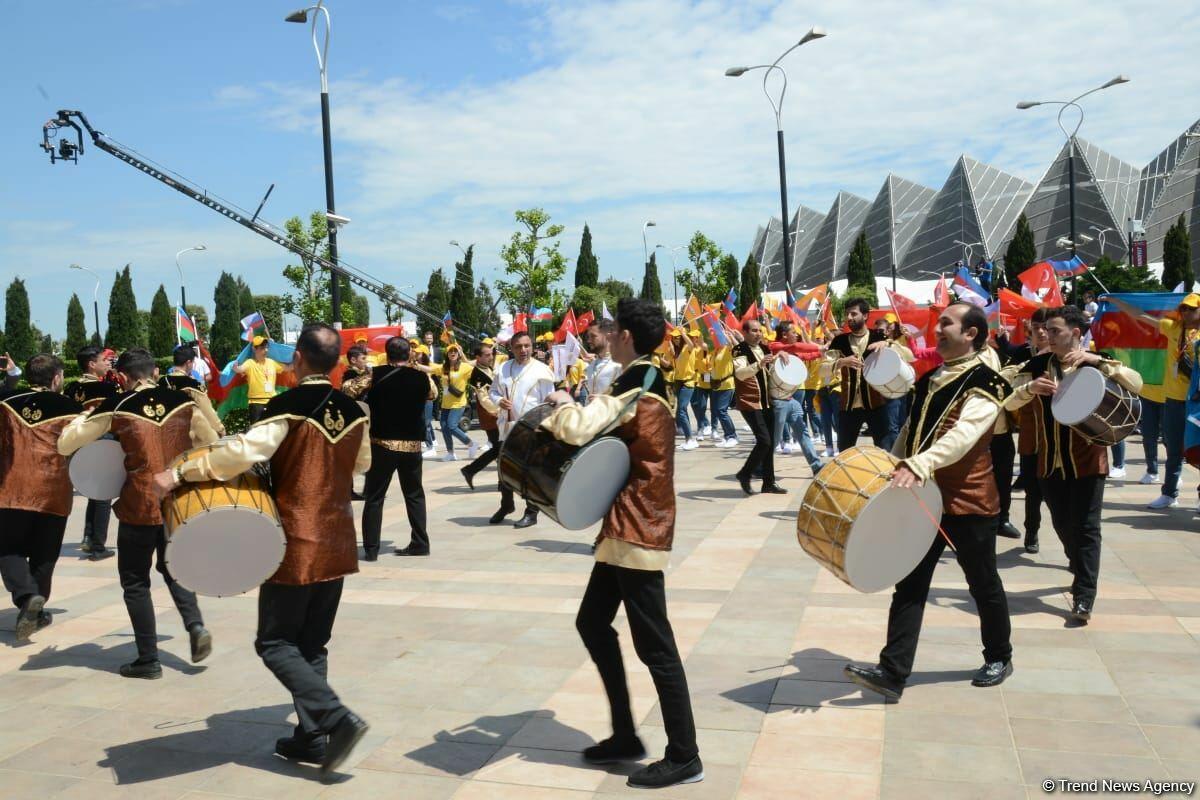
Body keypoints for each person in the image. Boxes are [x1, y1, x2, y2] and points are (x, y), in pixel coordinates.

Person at [152, 323, 371, 775]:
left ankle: (334, 719)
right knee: (312, 642)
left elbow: (244, 453)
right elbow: (363, 462)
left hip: (296, 538)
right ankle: (310, 738)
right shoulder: (355, 409)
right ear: (335, 363)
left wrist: (181, 474)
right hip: (338, 538)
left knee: (274, 642)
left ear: (300, 360)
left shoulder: (288, 404)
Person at [539, 298, 703, 789]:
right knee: (592, 621)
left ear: (627, 336)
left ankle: (684, 754)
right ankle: (627, 735)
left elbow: (581, 428)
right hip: (627, 524)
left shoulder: (639, 380)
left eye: (613, 330)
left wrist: (563, 406)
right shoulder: (647, 374)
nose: (606, 335)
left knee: (657, 646)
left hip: (638, 527)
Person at [845, 303, 1015, 701]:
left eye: (945, 323)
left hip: (967, 499)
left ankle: (1000, 655)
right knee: (910, 583)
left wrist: (919, 464)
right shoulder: (933, 377)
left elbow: (964, 436)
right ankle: (892, 671)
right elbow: (911, 428)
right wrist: (892, 464)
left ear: (971, 333)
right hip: (923, 498)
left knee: (983, 582)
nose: (936, 329)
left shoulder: (986, 383)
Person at [58, 348, 218, 678]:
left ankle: (148, 659)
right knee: (175, 567)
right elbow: (211, 440)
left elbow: (67, 443)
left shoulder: (117, 406)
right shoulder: (185, 403)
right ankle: (195, 624)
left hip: (139, 503)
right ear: (155, 373)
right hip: (177, 500)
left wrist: (82, 416)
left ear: (125, 378)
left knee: (135, 581)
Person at [1006, 306, 1142, 623]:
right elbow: (1008, 401)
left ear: (1076, 333)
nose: (1047, 335)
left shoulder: (1099, 361)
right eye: (1045, 330)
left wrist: (1099, 361)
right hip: (1050, 461)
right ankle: (1078, 562)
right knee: (1063, 524)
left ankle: (1083, 595)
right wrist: (1028, 389)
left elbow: (1137, 384)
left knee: (1087, 527)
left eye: (1055, 331)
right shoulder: (1037, 365)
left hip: (1089, 461)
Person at [0, 355, 82, 641]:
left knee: (8, 549)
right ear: (57, 377)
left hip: (12, 487)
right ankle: (35, 605)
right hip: (55, 491)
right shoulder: (72, 408)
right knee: (45, 553)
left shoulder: (6, 402)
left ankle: (27, 599)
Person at [1107, 293, 1200, 509]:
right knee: (1173, 449)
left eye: (1192, 309)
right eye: (1184, 308)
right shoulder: (1174, 328)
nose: (1186, 312)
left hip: (1196, 403)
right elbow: (1140, 315)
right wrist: (1115, 301)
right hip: (1174, 400)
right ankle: (1169, 494)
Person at [358, 337, 435, 558]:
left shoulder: (375, 374)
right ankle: (420, 543)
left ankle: (371, 549)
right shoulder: (421, 377)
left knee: (375, 497)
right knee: (414, 495)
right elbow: (433, 394)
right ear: (409, 353)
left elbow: (348, 389)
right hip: (412, 446)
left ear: (387, 352)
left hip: (382, 444)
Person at [479, 330, 556, 528]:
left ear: (532, 346)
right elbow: (494, 391)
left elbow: (550, 402)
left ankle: (532, 511)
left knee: (529, 471)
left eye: (527, 345)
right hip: (506, 425)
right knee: (504, 467)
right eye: (519, 346)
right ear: (511, 348)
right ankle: (506, 505)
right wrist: (498, 401)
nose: (523, 350)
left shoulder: (542, 370)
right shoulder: (503, 368)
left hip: (531, 427)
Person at [826, 299, 912, 451]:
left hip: (876, 405)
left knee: (885, 449)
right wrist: (841, 362)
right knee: (845, 452)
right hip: (848, 407)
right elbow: (822, 370)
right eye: (847, 314)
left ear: (865, 316)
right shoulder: (839, 341)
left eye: (854, 313)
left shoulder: (879, 337)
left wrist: (888, 344)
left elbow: (909, 356)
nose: (849, 318)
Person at [63, 346, 120, 560]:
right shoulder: (106, 389)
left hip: (79, 445)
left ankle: (88, 538)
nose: (107, 363)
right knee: (103, 494)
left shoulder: (71, 387)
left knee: (94, 493)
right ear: (91, 364)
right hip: (101, 443)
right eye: (103, 360)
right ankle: (98, 546)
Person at [732, 319, 784, 495]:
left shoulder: (765, 348)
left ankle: (769, 482)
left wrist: (779, 357)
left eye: (760, 331)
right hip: (750, 401)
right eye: (754, 331)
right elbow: (740, 374)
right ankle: (745, 474)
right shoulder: (739, 350)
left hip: (767, 401)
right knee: (764, 441)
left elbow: (770, 372)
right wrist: (758, 364)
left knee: (769, 444)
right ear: (745, 332)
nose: (758, 334)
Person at [767, 321, 823, 475]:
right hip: (778, 401)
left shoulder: (790, 350)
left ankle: (816, 465)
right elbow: (797, 347)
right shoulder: (775, 346)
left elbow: (807, 354)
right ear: (784, 334)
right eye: (793, 332)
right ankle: (759, 467)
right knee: (774, 439)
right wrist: (819, 347)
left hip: (791, 401)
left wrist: (822, 351)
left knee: (803, 432)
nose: (797, 334)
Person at [160, 345, 225, 437]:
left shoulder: (162, 381)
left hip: (167, 433)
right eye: (193, 362)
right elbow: (207, 410)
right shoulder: (192, 384)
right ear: (188, 363)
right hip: (188, 434)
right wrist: (220, 429)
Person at [461, 342, 500, 490]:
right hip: (490, 415)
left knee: (499, 449)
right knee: (500, 449)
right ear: (478, 357)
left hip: (495, 413)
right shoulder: (477, 374)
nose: (491, 357)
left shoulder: (487, 368)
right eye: (487, 355)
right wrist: (499, 409)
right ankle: (504, 483)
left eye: (491, 354)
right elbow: (484, 399)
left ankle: (470, 470)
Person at [235, 336, 290, 424]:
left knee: (273, 430)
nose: (266, 350)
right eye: (262, 348)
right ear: (254, 349)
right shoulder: (250, 363)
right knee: (257, 431)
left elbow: (287, 368)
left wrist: (300, 360)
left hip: (272, 402)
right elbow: (240, 369)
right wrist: (236, 368)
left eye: (266, 347)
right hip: (256, 403)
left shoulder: (272, 362)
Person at [437, 343, 475, 462]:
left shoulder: (464, 367)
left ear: (458, 354)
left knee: (452, 426)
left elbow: (473, 366)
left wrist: (463, 353)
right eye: (450, 351)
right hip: (446, 403)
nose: (452, 353)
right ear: (447, 354)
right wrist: (417, 365)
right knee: (444, 427)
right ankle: (450, 453)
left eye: (455, 351)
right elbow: (431, 367)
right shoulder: (444, 368)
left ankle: (470, 443)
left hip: (458, 402)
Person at [581, 319, 623, 404]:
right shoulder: (591, 365)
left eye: (593, 336)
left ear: (607, 337)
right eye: (588, 337)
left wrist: (603, 399)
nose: (589, 340)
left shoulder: (619, 364)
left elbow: (628, 397)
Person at [708, 341, 738, 447]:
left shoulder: (727, 348)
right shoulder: (715, 351)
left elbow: (735, 346)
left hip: (727, 384)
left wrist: (727, 336)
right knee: (717, 411)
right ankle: (727, 436)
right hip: (716, 384)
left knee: (722, 410)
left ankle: (732, 436)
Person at [688, 329, 712, 439]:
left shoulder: (704, 349)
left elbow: (704, 345)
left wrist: (706, 379)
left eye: (694, 337)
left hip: (705, 380)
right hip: (693, 379)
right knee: (694, 404)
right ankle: (703, 425)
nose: (692, 339)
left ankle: (707, 426)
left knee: (703, 406)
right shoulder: (691, 348)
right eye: (691, 337)